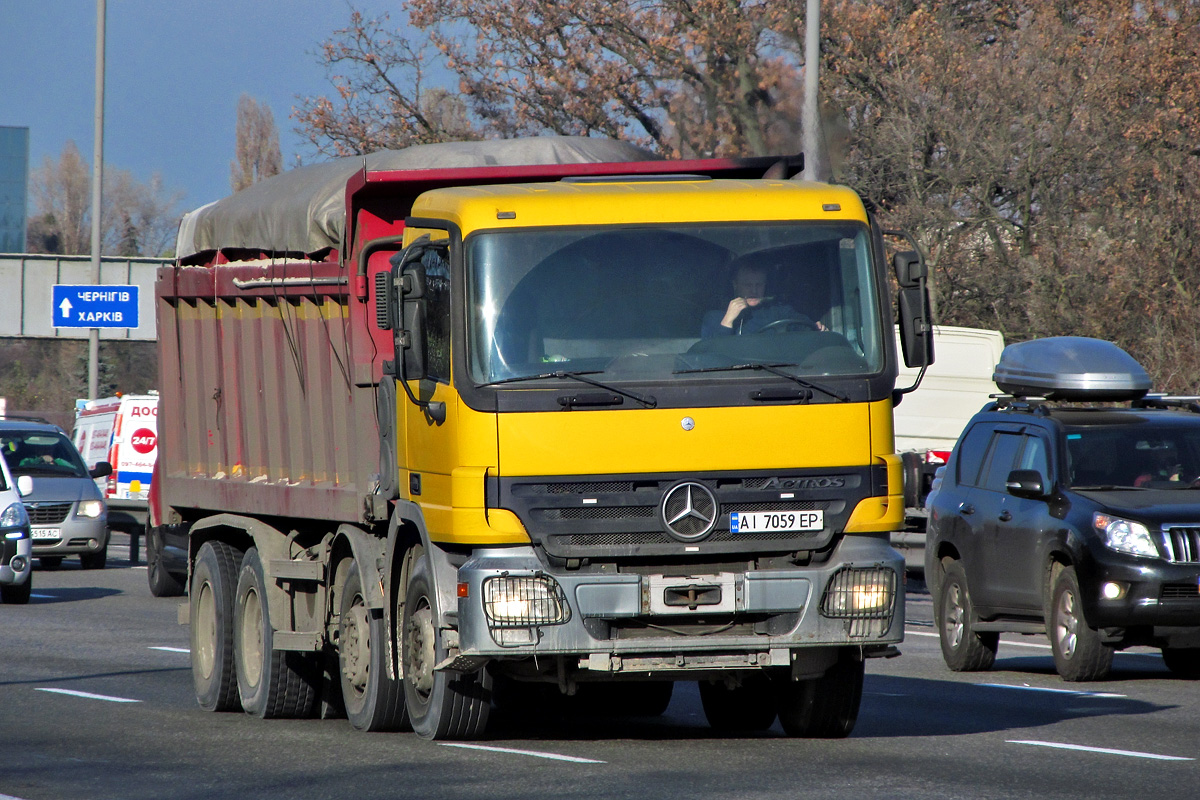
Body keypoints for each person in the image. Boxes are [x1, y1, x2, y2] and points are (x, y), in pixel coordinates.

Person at [700, 261, 824, 338]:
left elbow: (805, 327)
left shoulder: (779, 312)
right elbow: (711, 356)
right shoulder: (715, 317)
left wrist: (817, 329)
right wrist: (727, 321)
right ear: (735, 285)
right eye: (748, 285)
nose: (754, 291)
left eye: (759, 285)